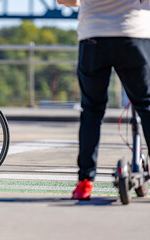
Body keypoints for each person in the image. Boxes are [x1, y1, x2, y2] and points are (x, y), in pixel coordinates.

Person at [57, 0, 150, 200]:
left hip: (93, 36)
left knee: (91, 111)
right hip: (132, 35)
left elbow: (63, 0)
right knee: (146, 105)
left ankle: (85, 182)